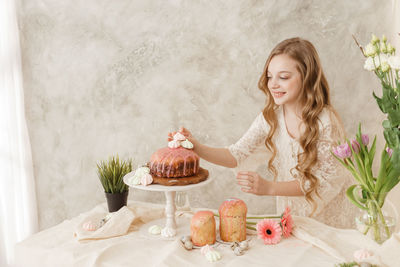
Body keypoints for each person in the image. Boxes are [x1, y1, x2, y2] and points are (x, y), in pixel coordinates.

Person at [169, 37, 355, 228]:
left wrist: (270, 187)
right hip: (294, 217)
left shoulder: (325, 120)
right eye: (269, 76)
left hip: (329, 218)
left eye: (283, 77)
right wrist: (196, 147)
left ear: (307, 78)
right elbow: (236, 155)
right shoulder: (271, 118)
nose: (273, 84)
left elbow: (323, 182)